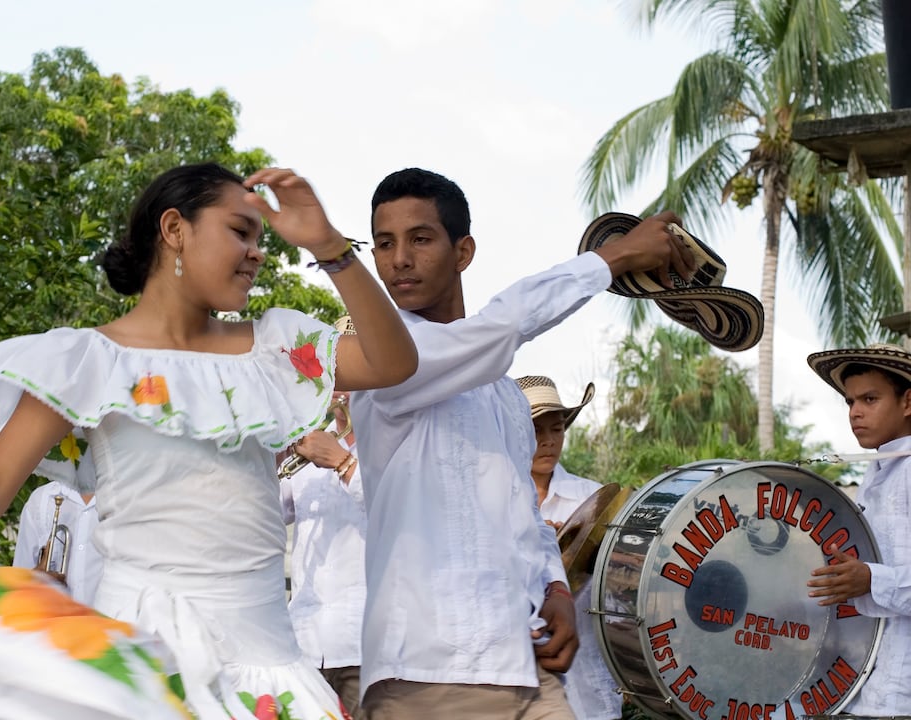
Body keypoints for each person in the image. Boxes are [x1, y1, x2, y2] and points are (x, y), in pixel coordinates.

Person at [0, 163, 418, 720]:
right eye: (241, 231)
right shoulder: (88, 360)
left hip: (266, 669)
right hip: (135, 667)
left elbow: (393, 362)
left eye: (262, 237)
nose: (258, 252)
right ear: (175, 230)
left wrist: (329, 247)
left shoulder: (274, 348)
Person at [349, 167, 694, 720]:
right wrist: (614, 259)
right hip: (428, 668)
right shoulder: (383, 362)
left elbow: (521, 514)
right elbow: (502, 326)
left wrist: (556, 588)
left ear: (463, 252)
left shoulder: (507, 397)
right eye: (384, 244)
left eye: (419, 239)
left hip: (522, 657)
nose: (399, 260)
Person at [805, 343, 911, 716]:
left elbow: (872, 578)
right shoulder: (876, 472)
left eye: (869, 398)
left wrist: (870, 580)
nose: (855, 413)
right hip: (860, 687)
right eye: (850, 402)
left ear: (908, 402)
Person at [518, 375, 622, 720]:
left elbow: (620, 585)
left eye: (557, 429)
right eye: (536, 431)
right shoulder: (497, 505)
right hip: (517, 680)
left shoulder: (595, 502)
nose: (548, 441)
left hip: (586, 676)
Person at [280, 391, 367, 718]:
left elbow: (401, 511)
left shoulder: (399, 442)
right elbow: (265, 518)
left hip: (367, 646)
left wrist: (342, 462)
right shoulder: (311, 444)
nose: (342, 391)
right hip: (304, 641)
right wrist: (269, 456)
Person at [13, 454, 103, 605]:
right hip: (53, 623)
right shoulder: (40, 501)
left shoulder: (129, 500)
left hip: (113, 624)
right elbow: (19, 580)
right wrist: (35, 578)